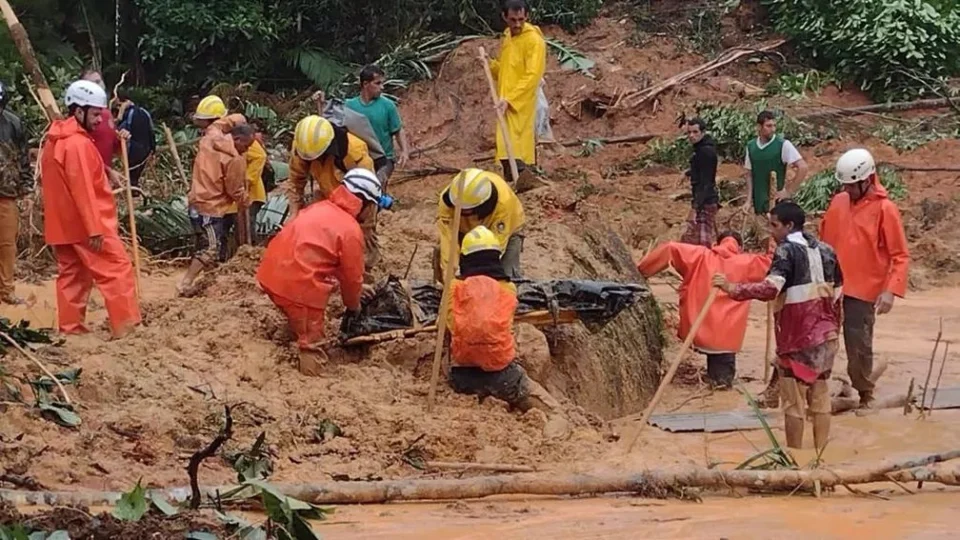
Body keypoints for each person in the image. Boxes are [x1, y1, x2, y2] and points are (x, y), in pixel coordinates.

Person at [713, 201, 842, 452]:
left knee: (793, 400)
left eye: (774, 225)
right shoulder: (828, 250)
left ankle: (794, 459)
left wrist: (733, 288)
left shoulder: (786, 251)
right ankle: (820, 458)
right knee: (820, 393)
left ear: (789, 226)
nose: (771, 231)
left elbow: (771, 288)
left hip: (797, 336)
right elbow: (839, 296)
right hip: (827, 335)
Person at [39, 80, 141, 338]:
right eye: (96, 114)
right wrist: (94, 228)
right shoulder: (76, 144)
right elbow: (83, 188)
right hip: (89, 225)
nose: (99, 119)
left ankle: (71, 330)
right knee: (117, 270)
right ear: (78, 111)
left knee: (72, 275)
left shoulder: (56, 140)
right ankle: (127, 329)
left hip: (63, 225)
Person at [258, 169, 383, 375]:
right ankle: (310, 377)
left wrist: (358, 288)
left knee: (296, 314)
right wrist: (354, 305)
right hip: (298, 287)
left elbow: (328, 260)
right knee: (312, 341)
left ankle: (290, 333)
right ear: (365, 203)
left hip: (271, 274)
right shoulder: (350, 230)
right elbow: (351, 278)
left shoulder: (319, 208)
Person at [447, 225, 568, 437]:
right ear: (496, 257)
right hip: (502, 374)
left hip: (461, 376)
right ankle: (552, 440)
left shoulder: (454, 288)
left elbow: (448, 324)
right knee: (556, 413)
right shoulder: (508, 290)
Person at [820, 148, 909, 410]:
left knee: (858, 343)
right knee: (822, 339)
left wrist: (890, 290)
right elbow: (824, 241)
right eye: (844, 184)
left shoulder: (885, 209)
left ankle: (865, 392)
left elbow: (900, 255)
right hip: (832, 285)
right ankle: (820, 388)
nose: (847, 189)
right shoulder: (838, 202)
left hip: (863, 289)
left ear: (866, 180)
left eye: (851, 185)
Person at [638, 232, 771, 388]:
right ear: (739, 247)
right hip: (726, 337)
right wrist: (773, 241)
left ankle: (713, 380)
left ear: (716, 243)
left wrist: (643, 271)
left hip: (698, 328)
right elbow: (773, 263)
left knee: (715, 366)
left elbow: (670, 248)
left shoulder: (700, 255)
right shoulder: (748, 262)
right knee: (722, 385)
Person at [286, 115, 381, 269]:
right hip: (327, 195)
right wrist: (294, 213)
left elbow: (368, 193)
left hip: (357, 201)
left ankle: (364, 271)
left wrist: (360, 225)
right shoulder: (302, 147)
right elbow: (296, 182)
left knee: (360, 242)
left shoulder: (353, 152)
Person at [178, 96, 249, 295]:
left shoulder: (210, 136)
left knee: (207, 245)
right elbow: (233, 188)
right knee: (210, 248)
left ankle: (208, 283)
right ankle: (185, 282)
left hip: (195, 201)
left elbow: (223, 122)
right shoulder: (232, 154)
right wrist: (243, 199)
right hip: (211, 205)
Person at [434, 168, 525, 282]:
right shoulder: (448, 202)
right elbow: (448, 244)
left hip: (508, 228)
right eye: (460, 210)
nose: (463, 213)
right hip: (463, 231)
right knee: (455, 269)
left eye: (467, 211)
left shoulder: (503, 204)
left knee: (503, 276)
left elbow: (492, 253)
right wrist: (450, 280)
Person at [489, 0, 546, 183]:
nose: (517, 24)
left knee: (518, 143)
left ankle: (525, 177)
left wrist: (511, 99)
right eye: (513, 20)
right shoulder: (507, 37)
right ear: (505, 17)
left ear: (527, 16)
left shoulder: (533, 41)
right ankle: (512, 181)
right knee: (506, 147)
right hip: (505, 101)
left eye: (521, 19)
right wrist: (488, 64)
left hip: (521, 102)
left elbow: (532, 75)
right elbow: (505, 70)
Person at [345, 65, 410, 184]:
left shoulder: (388, 106)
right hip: (358, 159)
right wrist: (320, 103)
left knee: (377, 184)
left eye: (382, 83)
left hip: (384, 159)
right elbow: (331, 124)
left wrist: (404, 151)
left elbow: (398, 130)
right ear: (365, 84)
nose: (382, 87)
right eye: (377, 83)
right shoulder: (349, 106)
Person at [0, 80, 33, 305]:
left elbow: (23, 156)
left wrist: (27, 185)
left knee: (6, 244)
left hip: (6, 192)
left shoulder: (13, 123)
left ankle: (6, 290)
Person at [743, 110, 809, 215]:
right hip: (758, 203)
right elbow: (749, 174)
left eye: (774, 126)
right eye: (768, 126)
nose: (773, 129)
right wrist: (748, 200)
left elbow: (803, 167)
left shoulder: (783, 145)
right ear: (759, 127)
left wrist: (788, 191)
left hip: (776, 204)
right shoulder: (751, 147)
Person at [681, 117, 719, 247]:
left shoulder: (706, 152)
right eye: (689, 132)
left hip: (706, 202)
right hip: (705, 200)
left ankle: (707, 266)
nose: (691, 135)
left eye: (695, 132)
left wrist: (695, 207)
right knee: (699, 239)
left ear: (703, 133)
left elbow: (706, 182)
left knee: (704, 243)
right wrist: (689, 172)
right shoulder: (700, 150)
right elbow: (702, 170)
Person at [115, 89, 157, 195]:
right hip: (145, 149)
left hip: (133, 148)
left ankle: (132, 193)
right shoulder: (144, 111)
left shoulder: (129, 114)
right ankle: (135, 191)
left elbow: (123, 130)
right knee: (135, 175)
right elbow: (151, 131)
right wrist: (153, 149)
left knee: (130, 173)